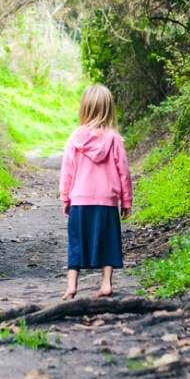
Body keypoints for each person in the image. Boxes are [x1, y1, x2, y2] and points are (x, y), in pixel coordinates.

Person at [59, 84, 133, 300]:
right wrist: (126, 200)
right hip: (107, 201)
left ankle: (72, 285)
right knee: (108, 241)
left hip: (80, 200)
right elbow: (124, 172)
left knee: (76, 242)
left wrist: (66, 197)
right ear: (109, 109)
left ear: (84, 108)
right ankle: (106, 283)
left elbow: (67, 172)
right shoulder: (114, 139)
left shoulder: (75, 138)